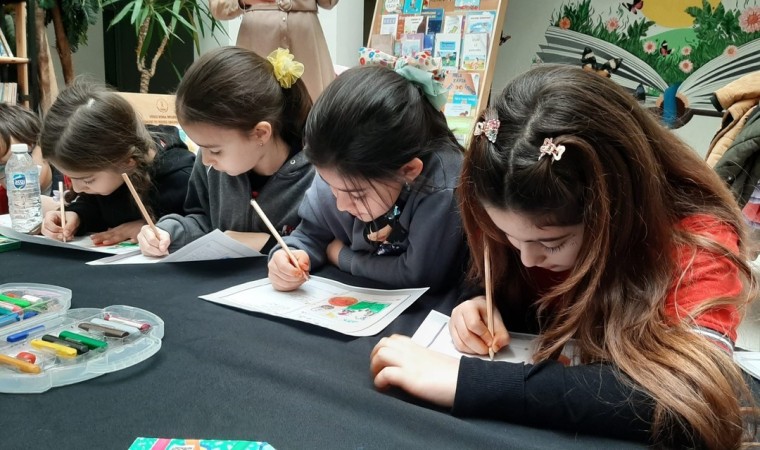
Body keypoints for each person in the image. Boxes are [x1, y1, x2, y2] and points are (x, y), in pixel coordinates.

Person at [370, 65, 757, 447]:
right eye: (508, 237)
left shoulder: (698, 243)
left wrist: (469, 382)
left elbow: (691, 398)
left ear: (615, 212)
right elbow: (500, 275)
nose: (527, 259)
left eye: (552, 243)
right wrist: (480, 302)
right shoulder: (522, 222)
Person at [267, 63, 466, 291]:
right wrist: (289, 255)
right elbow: (309, 235)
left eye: (357, 195)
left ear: (408, 171)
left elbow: (418, 275)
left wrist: (342, 256)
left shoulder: (441, 186)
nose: (341, 205)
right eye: (330, 186)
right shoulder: (335, 166)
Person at [137, 46, 314, 256]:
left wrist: (267, 244)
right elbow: (203, 220)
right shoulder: (212, 166)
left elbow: (321, 242)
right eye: (201, 148)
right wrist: (169, 232)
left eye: (215, 151)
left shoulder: (317, 177)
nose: (205, 160)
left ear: (260, 133)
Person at [39, 82, 194, 245]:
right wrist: (76, 216)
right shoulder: (105, 171)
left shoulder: (182, 177)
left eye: (87, 180)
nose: (77, 189)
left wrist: (157, 227)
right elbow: (96, 206)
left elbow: (202, 223)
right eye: (70, 177)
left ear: (127, 161)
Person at [208, 0, 338, 101]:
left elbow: (329, 2)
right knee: (255, 106)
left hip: (306, 43)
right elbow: (218, 7)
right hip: (257, 41)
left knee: (313, 107)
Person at [0, 103, 53, 214]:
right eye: (2, 167)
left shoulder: (78, 188)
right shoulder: (4, 201)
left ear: (42, 147)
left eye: (21, 158)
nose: (16, 175)